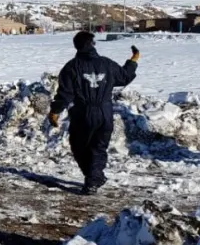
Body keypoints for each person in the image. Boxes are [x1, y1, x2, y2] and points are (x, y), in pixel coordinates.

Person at [48, 31, 139, 194]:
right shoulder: (107, 64)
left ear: (77, 46)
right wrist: (133, 61)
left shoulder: (72, 67)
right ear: (92, 44)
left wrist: (55, 112)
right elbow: (124, 76)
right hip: (105, 113)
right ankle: (94, 177)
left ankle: (93, 179)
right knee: (98, 147)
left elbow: (65, 93)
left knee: (79, 146)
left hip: (83, 112)